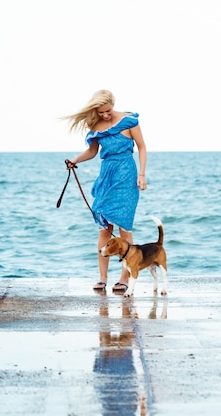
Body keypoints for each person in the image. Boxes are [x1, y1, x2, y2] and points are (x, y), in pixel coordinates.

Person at [64, 90, 148, 293]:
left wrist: (142, 174)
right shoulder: (95, 127)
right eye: (100, 112)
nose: (105, 115)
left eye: (107, 111)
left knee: (124, 227)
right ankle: (102, 277)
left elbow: (142, 147)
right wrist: (75, 160)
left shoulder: (129, 121)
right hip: (106, 175)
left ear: (113, 105)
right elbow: (93, 152)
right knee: (103, 228)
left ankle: (125, 277)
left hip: (127, 174)